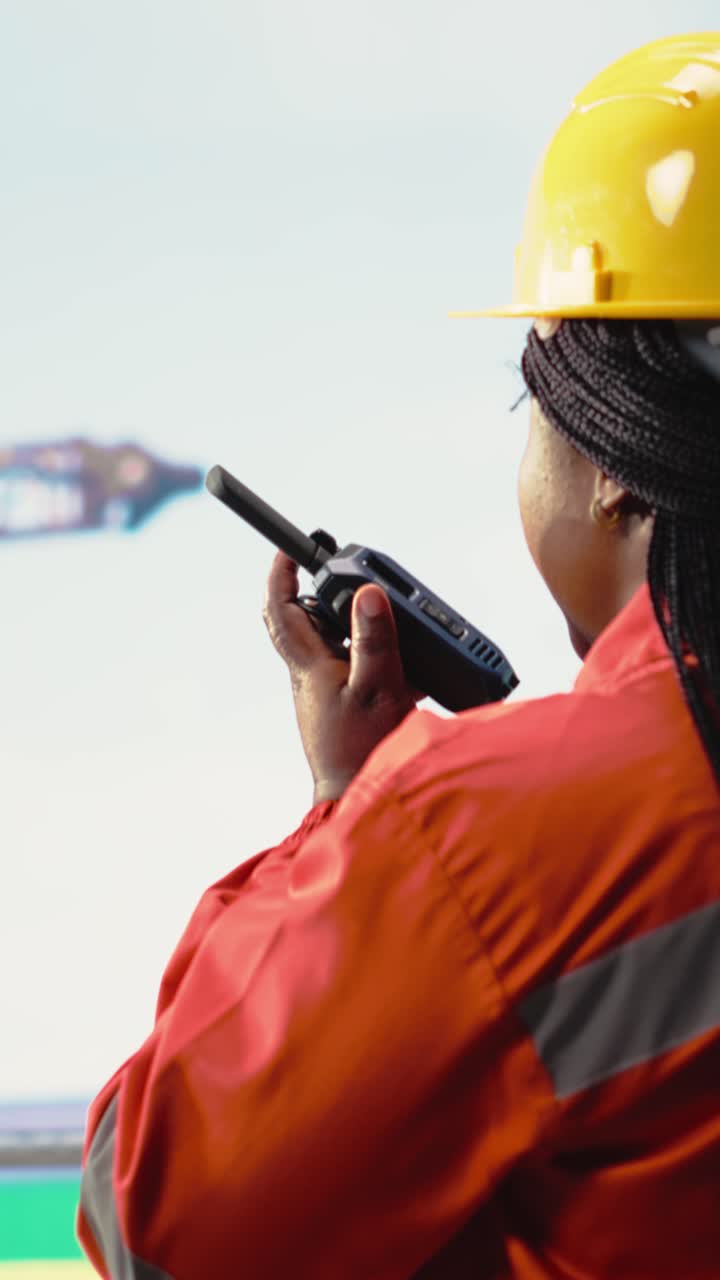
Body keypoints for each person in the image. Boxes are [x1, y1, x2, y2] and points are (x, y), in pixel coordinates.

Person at [78, 32, 720, 1279]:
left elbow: (148, 1217)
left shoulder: (489, 845)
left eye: (529, 395)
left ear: (615, 460)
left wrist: (350, 815)